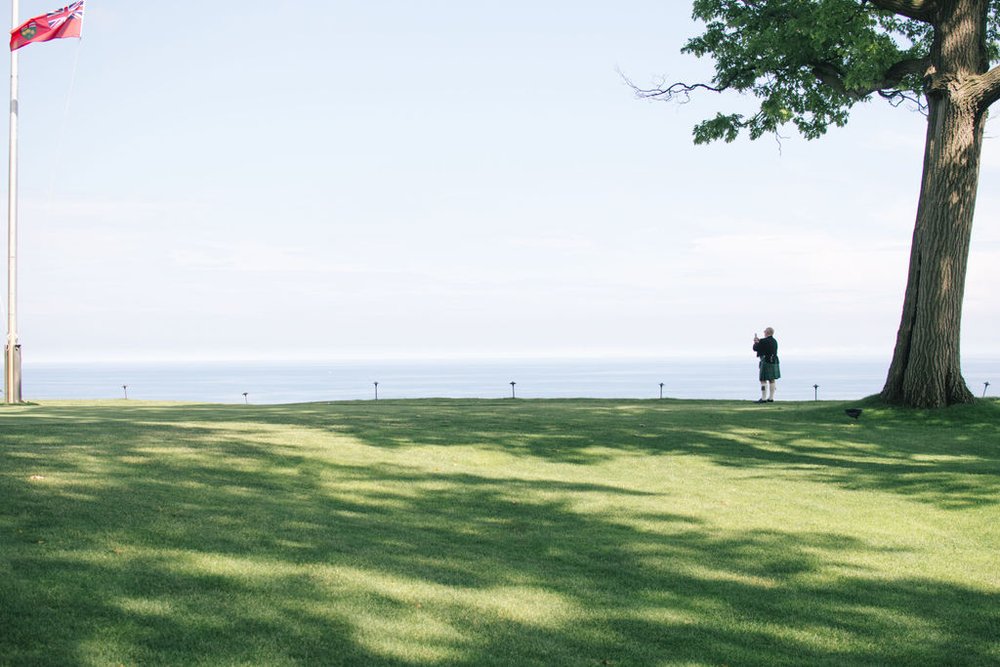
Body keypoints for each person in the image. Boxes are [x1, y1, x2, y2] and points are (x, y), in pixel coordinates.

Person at [753, 327, 780, 403]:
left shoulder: (763, 341)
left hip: (765, 361)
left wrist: (756, 342)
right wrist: (759, 342)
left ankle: (764, 398)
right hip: (773, 361)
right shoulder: (775, 341)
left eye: (764, 331)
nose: (764, 332)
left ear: (767, 332)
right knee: (772, 380)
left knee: (763, 380)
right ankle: (771, 398)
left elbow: (755, 348)